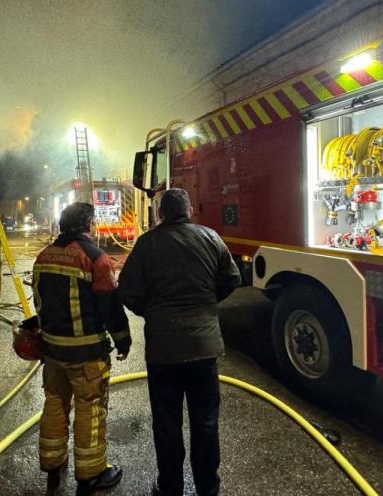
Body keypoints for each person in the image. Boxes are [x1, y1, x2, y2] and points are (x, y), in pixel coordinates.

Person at [117, 188, 241, 496]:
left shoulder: (147, 244)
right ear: (188, 211)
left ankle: (170, 487)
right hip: (204, 348)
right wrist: (207, 304)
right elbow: (232, 278)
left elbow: (127, 290)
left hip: (164, 351)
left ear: (160, 213)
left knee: (167, 424)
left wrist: (151, 312)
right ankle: (208, 488)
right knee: (206, 422)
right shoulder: (210, 237)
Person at [33, 202, 132, 495]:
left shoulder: (43, 256)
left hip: (52, 350)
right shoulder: (95, 258)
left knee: (54, 402)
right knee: (90, 408)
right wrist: (123, 339)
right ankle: (91, 474)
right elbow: (110, 306)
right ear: (88, 224)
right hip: (86, 353)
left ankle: (52, 463)